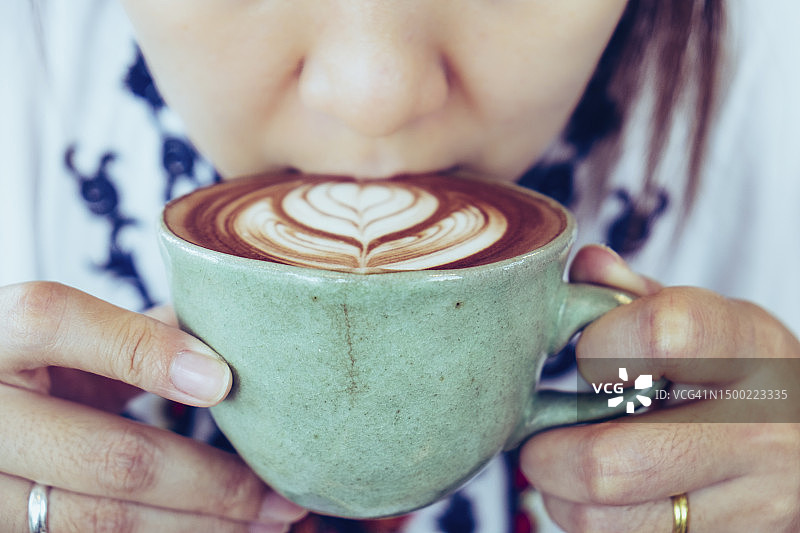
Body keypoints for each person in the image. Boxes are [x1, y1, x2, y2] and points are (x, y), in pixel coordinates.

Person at [1, 1, 799, 532]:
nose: (374, 93)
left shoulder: (764, 90)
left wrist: (771, 432)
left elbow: (741, 401)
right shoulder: (27, 60)